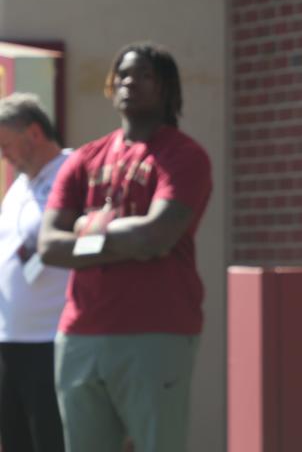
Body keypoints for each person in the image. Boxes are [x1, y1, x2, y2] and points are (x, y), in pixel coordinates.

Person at [37, 42, 212, 452]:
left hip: (156, 330)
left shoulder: (184, 156)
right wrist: (124, 238)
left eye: (143, 74)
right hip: (79, 335)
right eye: (123, 73)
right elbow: (48, 246)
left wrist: (84, 229)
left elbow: (157, 236)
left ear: (167, 88)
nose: (129, 81)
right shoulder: (84, 159)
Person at [0, 93, 70, 452]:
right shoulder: (17, 187)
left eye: (6, 144)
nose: (3, 155)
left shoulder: (73, 171)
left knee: (51, 442)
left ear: (34, 133)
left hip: (51, 341)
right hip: (10, 343)